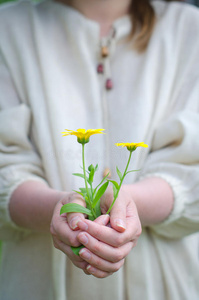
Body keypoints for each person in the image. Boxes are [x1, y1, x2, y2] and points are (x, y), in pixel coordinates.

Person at [0, 0, 199, 299]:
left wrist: (127, 203)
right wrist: (65, 210)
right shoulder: (8, 28)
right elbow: (6, 167)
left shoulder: (190, 29)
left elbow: (192, 170)